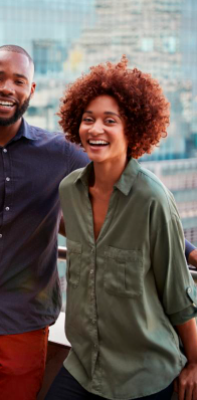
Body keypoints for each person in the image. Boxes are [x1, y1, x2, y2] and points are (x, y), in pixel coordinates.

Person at [0, 45, 197, 400]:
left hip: (23, 324)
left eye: (19, 80)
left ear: (31, 91)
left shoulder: (60, 153)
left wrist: (185, 250)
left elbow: (124, 189)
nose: (7, 88)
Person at [47, 57, 197, 400]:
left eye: (109, 120)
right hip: (84, 366)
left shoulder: (152, 199)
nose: (95, 129)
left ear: (133, 129)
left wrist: (195, 363)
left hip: (142, 374)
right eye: (88, 119)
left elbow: (179, 294)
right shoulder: (70, 189)